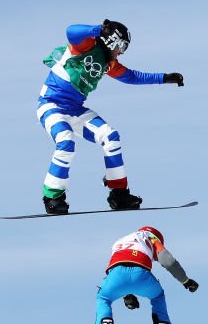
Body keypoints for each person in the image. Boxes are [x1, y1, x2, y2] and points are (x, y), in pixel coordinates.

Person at [36, 20, 185, 215]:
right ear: (110, 40)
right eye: (121, 46)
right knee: (65, 141)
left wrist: (163, 78)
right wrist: (96, 30)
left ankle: (119, 193)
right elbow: (71, 31)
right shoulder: (86, 45)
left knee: (111, 136)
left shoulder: (109, 63)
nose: (121, 52)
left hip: (75, 110)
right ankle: (53, 197)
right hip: (51, 105)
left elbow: (132, 76)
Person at [94, 226, 198, 324]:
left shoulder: (120, 241)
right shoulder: (150, 236)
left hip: (115, 276)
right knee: (158, 297)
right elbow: (168, 261)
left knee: (103, 298)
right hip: (142, 275)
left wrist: (127, 295)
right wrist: (185, 280)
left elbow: (116, 273)